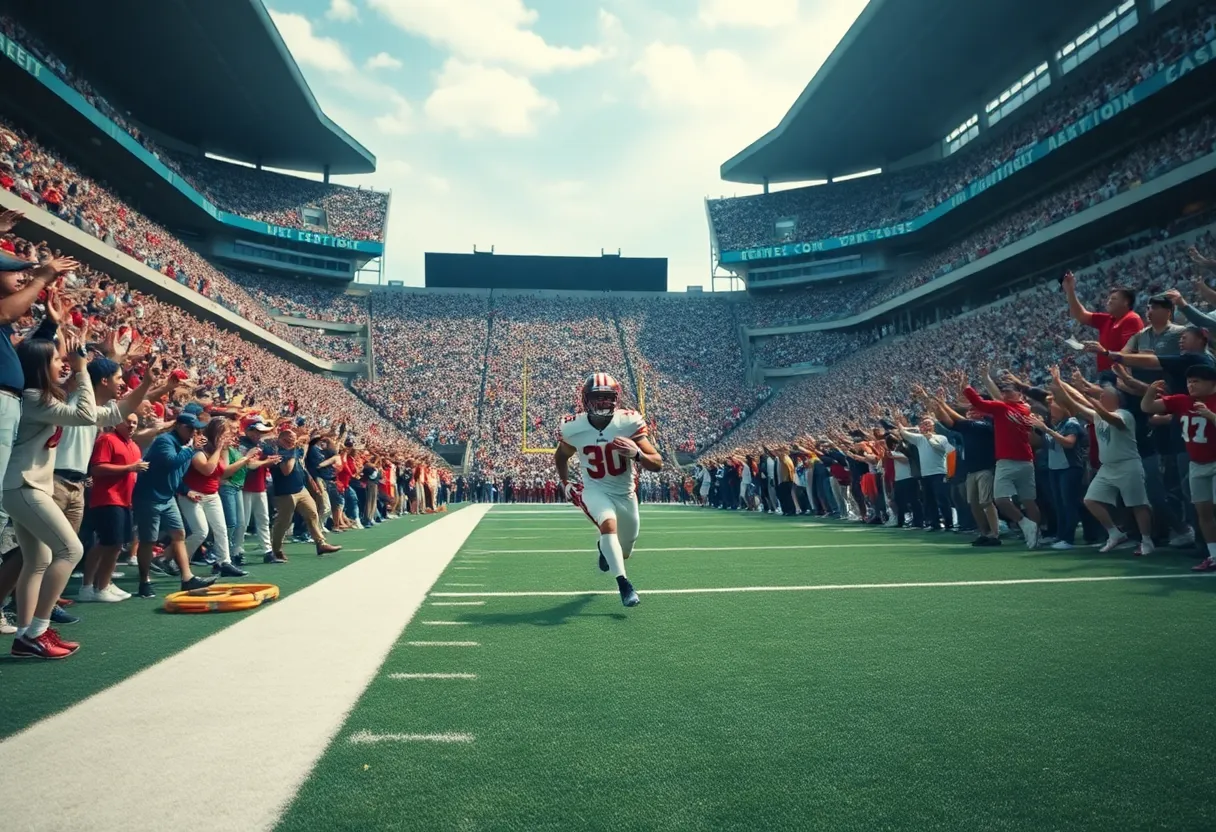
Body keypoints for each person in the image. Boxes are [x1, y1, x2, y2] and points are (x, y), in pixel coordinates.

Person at [4, 332, 96, 658]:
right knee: (71, 550)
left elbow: (77, 405)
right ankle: (37, 632)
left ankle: (26, 636)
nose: (64, 364)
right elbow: (85, 414)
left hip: (25, 485)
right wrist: (83, 370)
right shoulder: (33, 397)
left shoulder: (34, 396)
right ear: (41, 366)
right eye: (57, 360)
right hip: (24, 484)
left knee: (39, 559)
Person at [555, 373, 661, 608]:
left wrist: (637, 454)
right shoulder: (574, 427)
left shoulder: (628, 423)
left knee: (624, 550)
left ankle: (605, 548)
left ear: (616, 399)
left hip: (625, 493)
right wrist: (565, 483)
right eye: (597, 397)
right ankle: (624, 585)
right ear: (585, 400)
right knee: (608, 524)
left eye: (608, 397)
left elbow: (657, 462)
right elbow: (561, 456)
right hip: (595, 489)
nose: (603, 403)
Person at [1050, 368, 1154, 556]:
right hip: (1108, 467)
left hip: (1128, 464)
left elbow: (1108, 417)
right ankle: (1114, 534)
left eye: (1105, 395)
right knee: (1090, 500)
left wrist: (1091, 400)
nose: (1102, 396)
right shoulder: (1099, 414)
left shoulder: (1124, 415)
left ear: (1116, 400)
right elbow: (1075, 402)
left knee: (1138, 504)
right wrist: (1059, 383)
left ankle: (1147, 541)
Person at [131, 413, 218, 598]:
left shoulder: (182, 445)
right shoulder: (165, 441)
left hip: (166, 497)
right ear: (178, 426)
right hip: (150, 497)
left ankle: (187, 578)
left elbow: (176, 474)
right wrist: (191, 449)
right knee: (148, 540)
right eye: (190, 428)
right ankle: (144, 581)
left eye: (196, 429)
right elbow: (171, 463)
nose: (194, 432)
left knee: (179, 534)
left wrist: (186, 490)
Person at [1142, 366, 1216, 571]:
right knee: (1203, 512)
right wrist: (1150, 391)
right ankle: (1214, 554)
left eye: (1197, 381)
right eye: (1190, 381)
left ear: (1212, 383)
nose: (1191, 385)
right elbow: (1147, 407)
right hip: (1196, 464)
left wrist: (1210, 415)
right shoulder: (1182, 400)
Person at [269, 425, 342, 560]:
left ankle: (320, 543)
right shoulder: (278, 452)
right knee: (284, 521)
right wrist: (293, 451)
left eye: (294, 439)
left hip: (300, 488)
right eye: (290, 439)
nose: (293, 441)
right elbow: (287, 470)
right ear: (282, 439)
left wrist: (310, 481)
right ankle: (276, 550)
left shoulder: (295, 451)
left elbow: (301, 466)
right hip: (285, 492)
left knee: (312, 513)